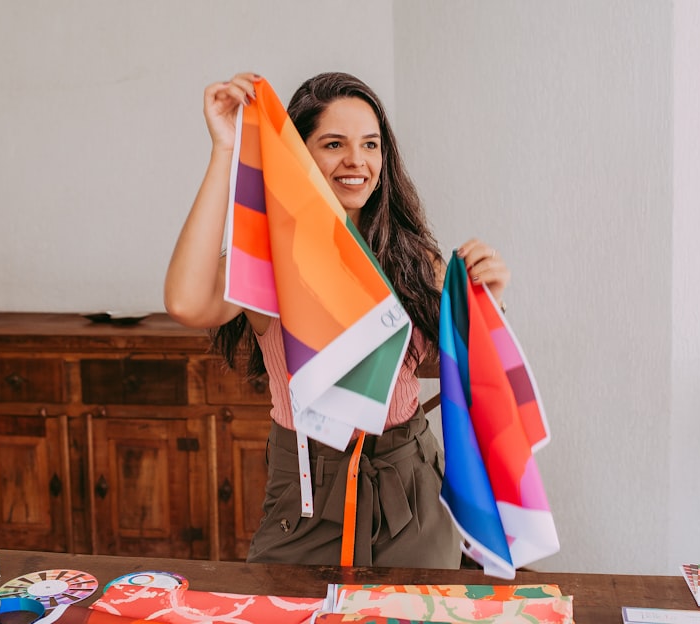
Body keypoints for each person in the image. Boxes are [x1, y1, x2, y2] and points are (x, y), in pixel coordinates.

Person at [164, 71, 511, 568]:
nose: (357, 161)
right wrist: (226, 148)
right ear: (298, 155)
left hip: (411, 484)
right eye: (333, 144)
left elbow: (457, 369)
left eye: (371, 144)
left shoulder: (415, 258)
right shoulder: (269, 260)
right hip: (306, 492)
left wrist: (487, 306)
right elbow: (188, 302)